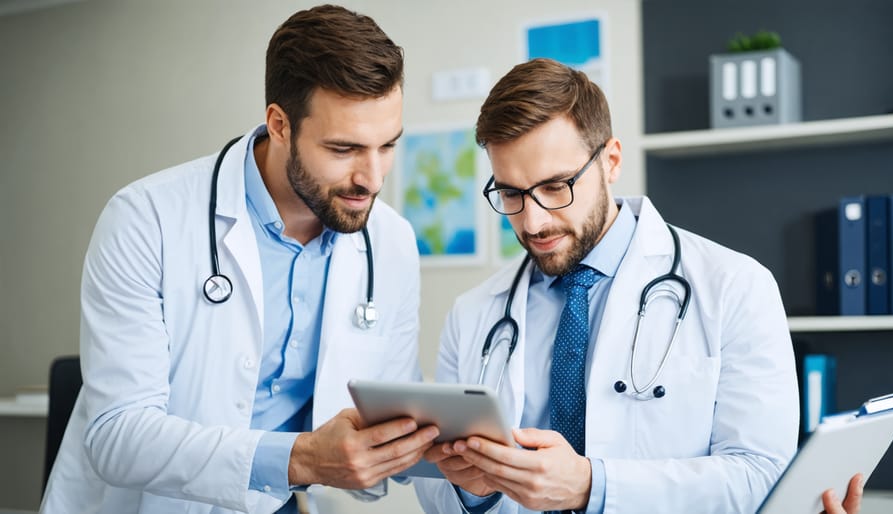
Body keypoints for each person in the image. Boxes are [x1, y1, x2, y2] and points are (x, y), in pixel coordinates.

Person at [41, 5, 438, 514]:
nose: (374, 177)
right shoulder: (145, 218)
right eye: (344, 149)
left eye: (387, 146)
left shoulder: (392, 242)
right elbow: (117, 436)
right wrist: (303, 458)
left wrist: (447, 451)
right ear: (279, 124)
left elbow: (385, 412)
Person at [413, 57, 823, 514]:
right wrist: (474, 490)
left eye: (555, 187)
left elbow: (759, 476)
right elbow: (435, 492)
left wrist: (593, 487)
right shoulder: (472, 314)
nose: (533, 221)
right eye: (511, 193)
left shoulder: (736, 287)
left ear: (611, 161)